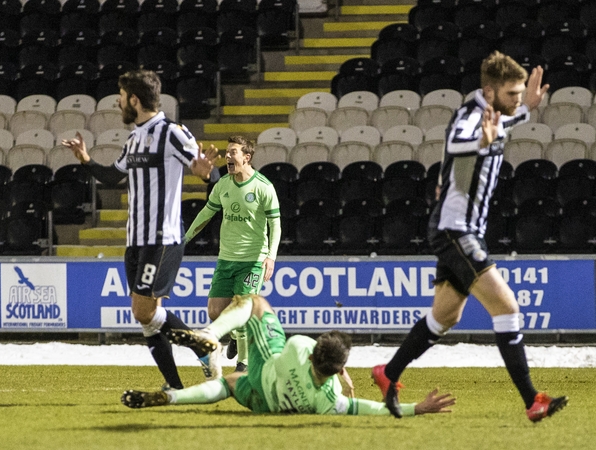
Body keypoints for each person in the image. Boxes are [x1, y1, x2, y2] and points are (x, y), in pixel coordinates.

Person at [370, 51, 568, 422]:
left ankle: (388, 373)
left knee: (445, 316)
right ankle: (532, 400)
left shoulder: (496, 115)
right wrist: (481, 140)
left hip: (462, 229)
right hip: (454, 230)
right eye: (512, 94)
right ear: (490, 93)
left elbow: (501, 126)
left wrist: (526, 108)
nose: (516, 99)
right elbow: (457, 143)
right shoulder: (471, 117)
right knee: (507, 307)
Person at [61, 70, 218, 390]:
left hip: (162, 237)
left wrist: (205, 175)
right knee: (147, 317)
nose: (118, 103)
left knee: (142, 309)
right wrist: (86, 159)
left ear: (134, 99)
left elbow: (206, 172)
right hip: (135, 239)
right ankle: (175, 385)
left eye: (121, 97)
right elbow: (113, 177)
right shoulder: (134, 139)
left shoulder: (172, 132)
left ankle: (200, 342)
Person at [121, 294, 456, 417]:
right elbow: (371, 409)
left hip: (271, 367)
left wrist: (342, 370)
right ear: (337, 369)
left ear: (314, 355)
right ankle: (175, 398)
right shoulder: (330, 402)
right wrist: (417, 408)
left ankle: (211, 335)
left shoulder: (299, 347)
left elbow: (312, 348)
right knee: (229, 383)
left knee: (254, 303)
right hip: (264, 403)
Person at [184, 136, 281, 372]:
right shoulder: (223, 185)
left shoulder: (263, 186)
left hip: (253, 260)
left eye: (233, 152)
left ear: (246, 157)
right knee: (215, 311)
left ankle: (243, 365)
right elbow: (206, 214)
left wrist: (271, 257)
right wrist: (183, 240)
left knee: (243, 310)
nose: (228, 156)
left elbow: (275, 224)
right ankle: (237, 336)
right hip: (226, 258)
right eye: (227, 152)